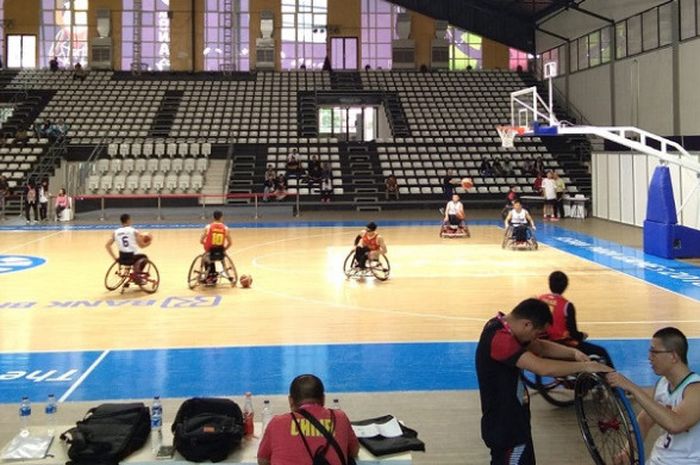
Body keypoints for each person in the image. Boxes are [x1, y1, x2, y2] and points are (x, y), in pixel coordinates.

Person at [476, 298, 611, 465]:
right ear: (527, 324)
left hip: (515, 421)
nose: (536, 338)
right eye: (537, 332)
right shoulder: (500, 340)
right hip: (506, 428)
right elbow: (542, 367)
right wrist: (585, 366)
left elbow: (540, 347)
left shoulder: (504, 326)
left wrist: (573, 353)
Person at [607, 327, 700, 465]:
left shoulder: (695, 389)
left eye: (654, 352)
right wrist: (627, 451)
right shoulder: (663, 384)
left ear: (673, 356)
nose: (649, 357)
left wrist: (632, 388)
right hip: (658, 459)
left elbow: (675, 424)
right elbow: (644, 421)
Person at [258, 374, 359, 465]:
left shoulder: (277, 423)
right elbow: (354, 451)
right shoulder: (340, 418)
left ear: (291, 400)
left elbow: (262, 460)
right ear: (323, 399)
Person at [539, 271, 613, 366]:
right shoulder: (566, 305)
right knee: (601, 351)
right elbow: (573, 333)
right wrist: (582, 335)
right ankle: (613, 378)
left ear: (549, 283)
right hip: (561, 344)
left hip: (541, 343)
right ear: (566, 286)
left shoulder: (540, 299)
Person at [200, 210, 233, 284]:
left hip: (210, 252)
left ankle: (210, 276)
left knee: (205, 257)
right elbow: (230, 243)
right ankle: (225, 274)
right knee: (218, 256)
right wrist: (224, 249)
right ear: (221, 217)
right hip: (220, 253)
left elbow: (201, 241)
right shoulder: (226, 228)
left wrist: (206, 243)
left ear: (213, 217)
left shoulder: (208, 227)